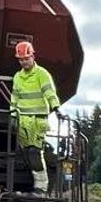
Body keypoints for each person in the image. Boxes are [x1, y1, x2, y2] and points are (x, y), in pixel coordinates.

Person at [10, 40, 62, 193]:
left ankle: (41, 187)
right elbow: (15, 98)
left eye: (26, 59)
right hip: (23, 121)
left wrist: (56, 108)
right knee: (26, 153)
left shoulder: (42, 74)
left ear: (32, 56)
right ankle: (36, 185)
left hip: (38, 120)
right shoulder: (17, 77)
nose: (24, 62)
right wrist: (13, 115)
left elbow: (49, 92)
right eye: (21, 59)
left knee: (35, 152)